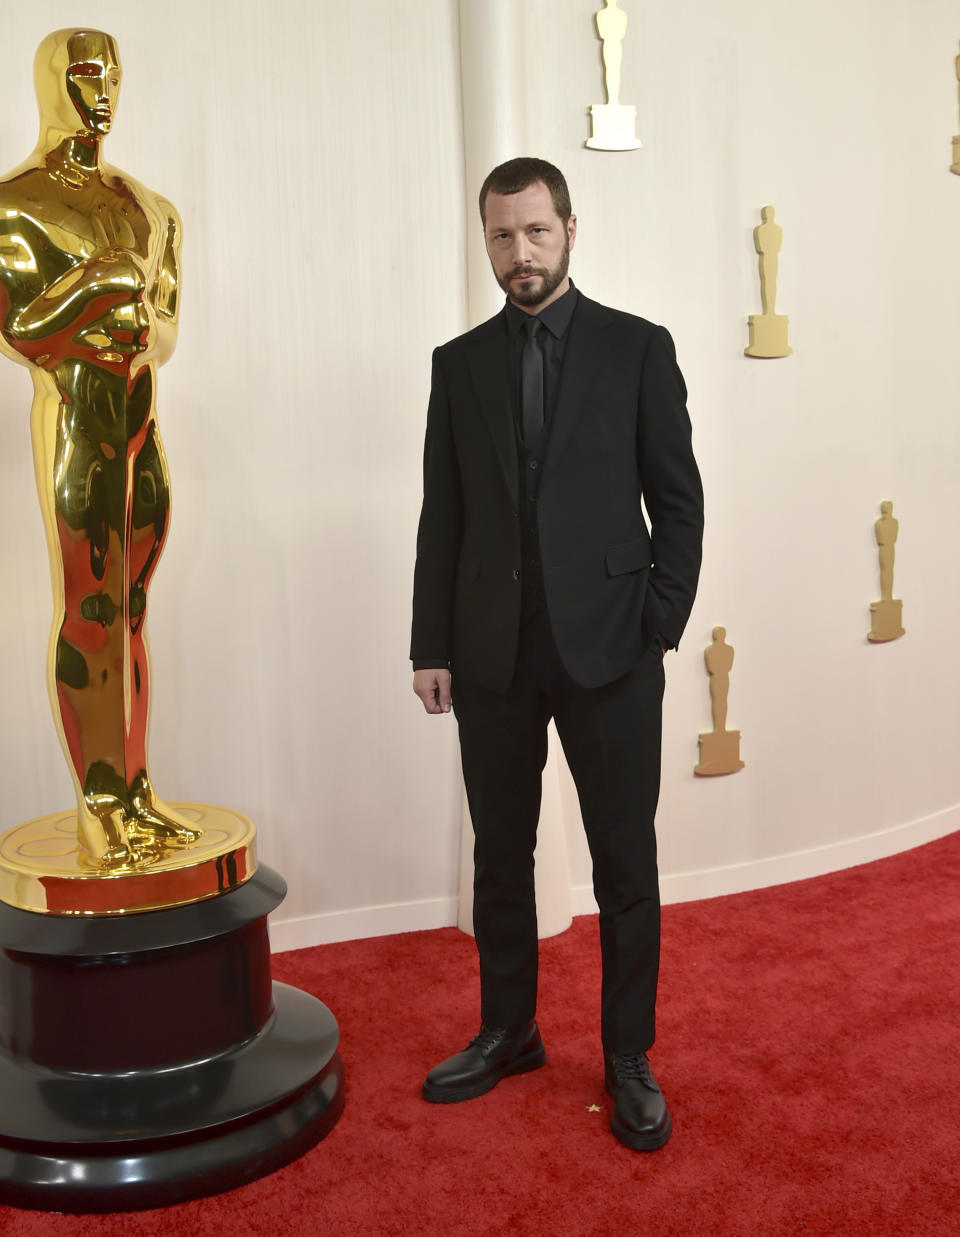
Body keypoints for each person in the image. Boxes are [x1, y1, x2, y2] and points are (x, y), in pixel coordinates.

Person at [410, 157, 703, 1151]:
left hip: (614, 649)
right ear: (485, 240)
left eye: (535, 232)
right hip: (491, 653)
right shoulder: (459, 365)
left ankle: (627, 1056)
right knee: (501, 854)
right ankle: (508, 1030)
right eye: (501, 235)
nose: (518, 253)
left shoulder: (638, 349)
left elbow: (679, 499)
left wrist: (658, 623)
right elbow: (441, 517)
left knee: (625, 863)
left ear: (569, 229)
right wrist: (430, 644)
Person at [0, 29, 200, 868]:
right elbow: (18, 329)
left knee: (133, 609)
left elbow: (165, 331)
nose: (102, 90)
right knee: (90, 610)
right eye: (84, 74)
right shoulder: (18, 203)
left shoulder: (149, 205)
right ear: (53, 82)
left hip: (140, 415)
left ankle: (136, 793)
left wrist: (136, 311)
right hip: (78, 412)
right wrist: (97, 284)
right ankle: (96, 804)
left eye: (112, 74)